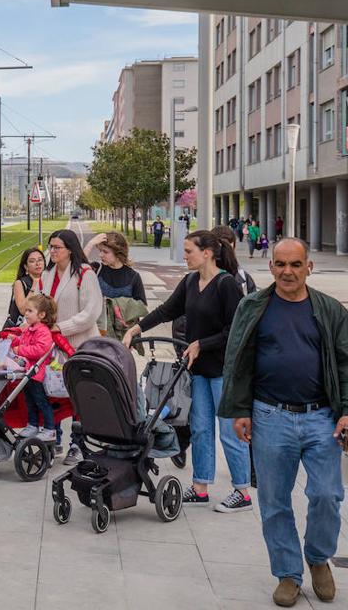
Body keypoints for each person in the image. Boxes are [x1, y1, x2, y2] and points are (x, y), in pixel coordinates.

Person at [221, 239, 348, 607]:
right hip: (269, 416)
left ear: (309, 267)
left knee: (327, 495)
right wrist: (239, 409)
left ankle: (318, 557)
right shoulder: (253, 307)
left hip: (321, 418)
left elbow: (344, 362)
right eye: (280, 264)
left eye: (295, 264)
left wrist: (345, 410)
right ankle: (288, 574)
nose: (287, 271)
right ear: (271, 267)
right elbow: (238, 360)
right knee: (275, 502)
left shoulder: (328, 310)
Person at [123, 230, 250, 512]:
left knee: (229, 432)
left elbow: (235, 330)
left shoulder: (226, 285)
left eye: (189, 251)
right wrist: (137, 327)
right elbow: (168, 309)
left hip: (223, 370)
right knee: (201, 429)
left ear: (207, 253)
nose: (184, 256)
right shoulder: (191, 281)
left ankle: (242, 492)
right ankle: (201, 487)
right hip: (198, 369)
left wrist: (201, 344)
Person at [41, 228, 103, 464]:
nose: (52, 251)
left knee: (78, 396)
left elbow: (91, 313)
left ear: (70, 250)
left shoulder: (85, 274)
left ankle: (77, 444)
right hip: (53, 346)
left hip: (78, 344)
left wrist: (62, 327)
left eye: (57, 247)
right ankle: (54, 438)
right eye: (51, 247)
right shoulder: (48, 273)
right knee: (53, 391)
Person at [11, 293, 59, 442]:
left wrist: (20, 350)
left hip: (36, 373)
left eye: (30, 311)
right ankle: (33, 424)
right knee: (29, 400)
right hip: (27, 373)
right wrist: (15, 340)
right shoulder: (30, 328)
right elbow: (24, 341)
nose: (26, 313)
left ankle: (50, 429)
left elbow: (40, 349)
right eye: (26, 310)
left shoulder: (42, 331)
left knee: (41, 401)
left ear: (41, 314)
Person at [84, 231, 147, 302]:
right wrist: (91, 243)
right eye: (100, 250)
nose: (100, 255)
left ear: (118, 253)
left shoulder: (133, 276)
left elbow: (141, 307)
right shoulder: (97, 268)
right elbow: (78, 267)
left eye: (105, 252)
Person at [5, 247, 47, 330]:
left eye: (40, 260)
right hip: (19, 329)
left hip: (40, 329)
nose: (37, 264)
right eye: (32, 261)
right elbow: (23, 310)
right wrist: (34, 286)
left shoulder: (49, 280)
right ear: (26, 267)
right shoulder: (20, 283)